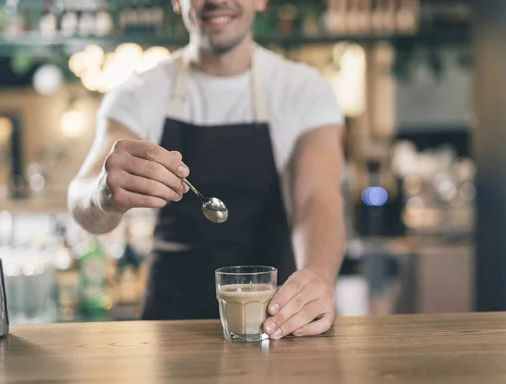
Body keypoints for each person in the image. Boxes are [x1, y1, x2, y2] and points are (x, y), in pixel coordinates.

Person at [68, 0, 346, 340]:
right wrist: (102, 195)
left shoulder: (303, 90)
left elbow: (317, 199)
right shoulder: (139, 93)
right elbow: (82, 199)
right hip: (169, 329)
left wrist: (317, 275)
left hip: (275, 324)